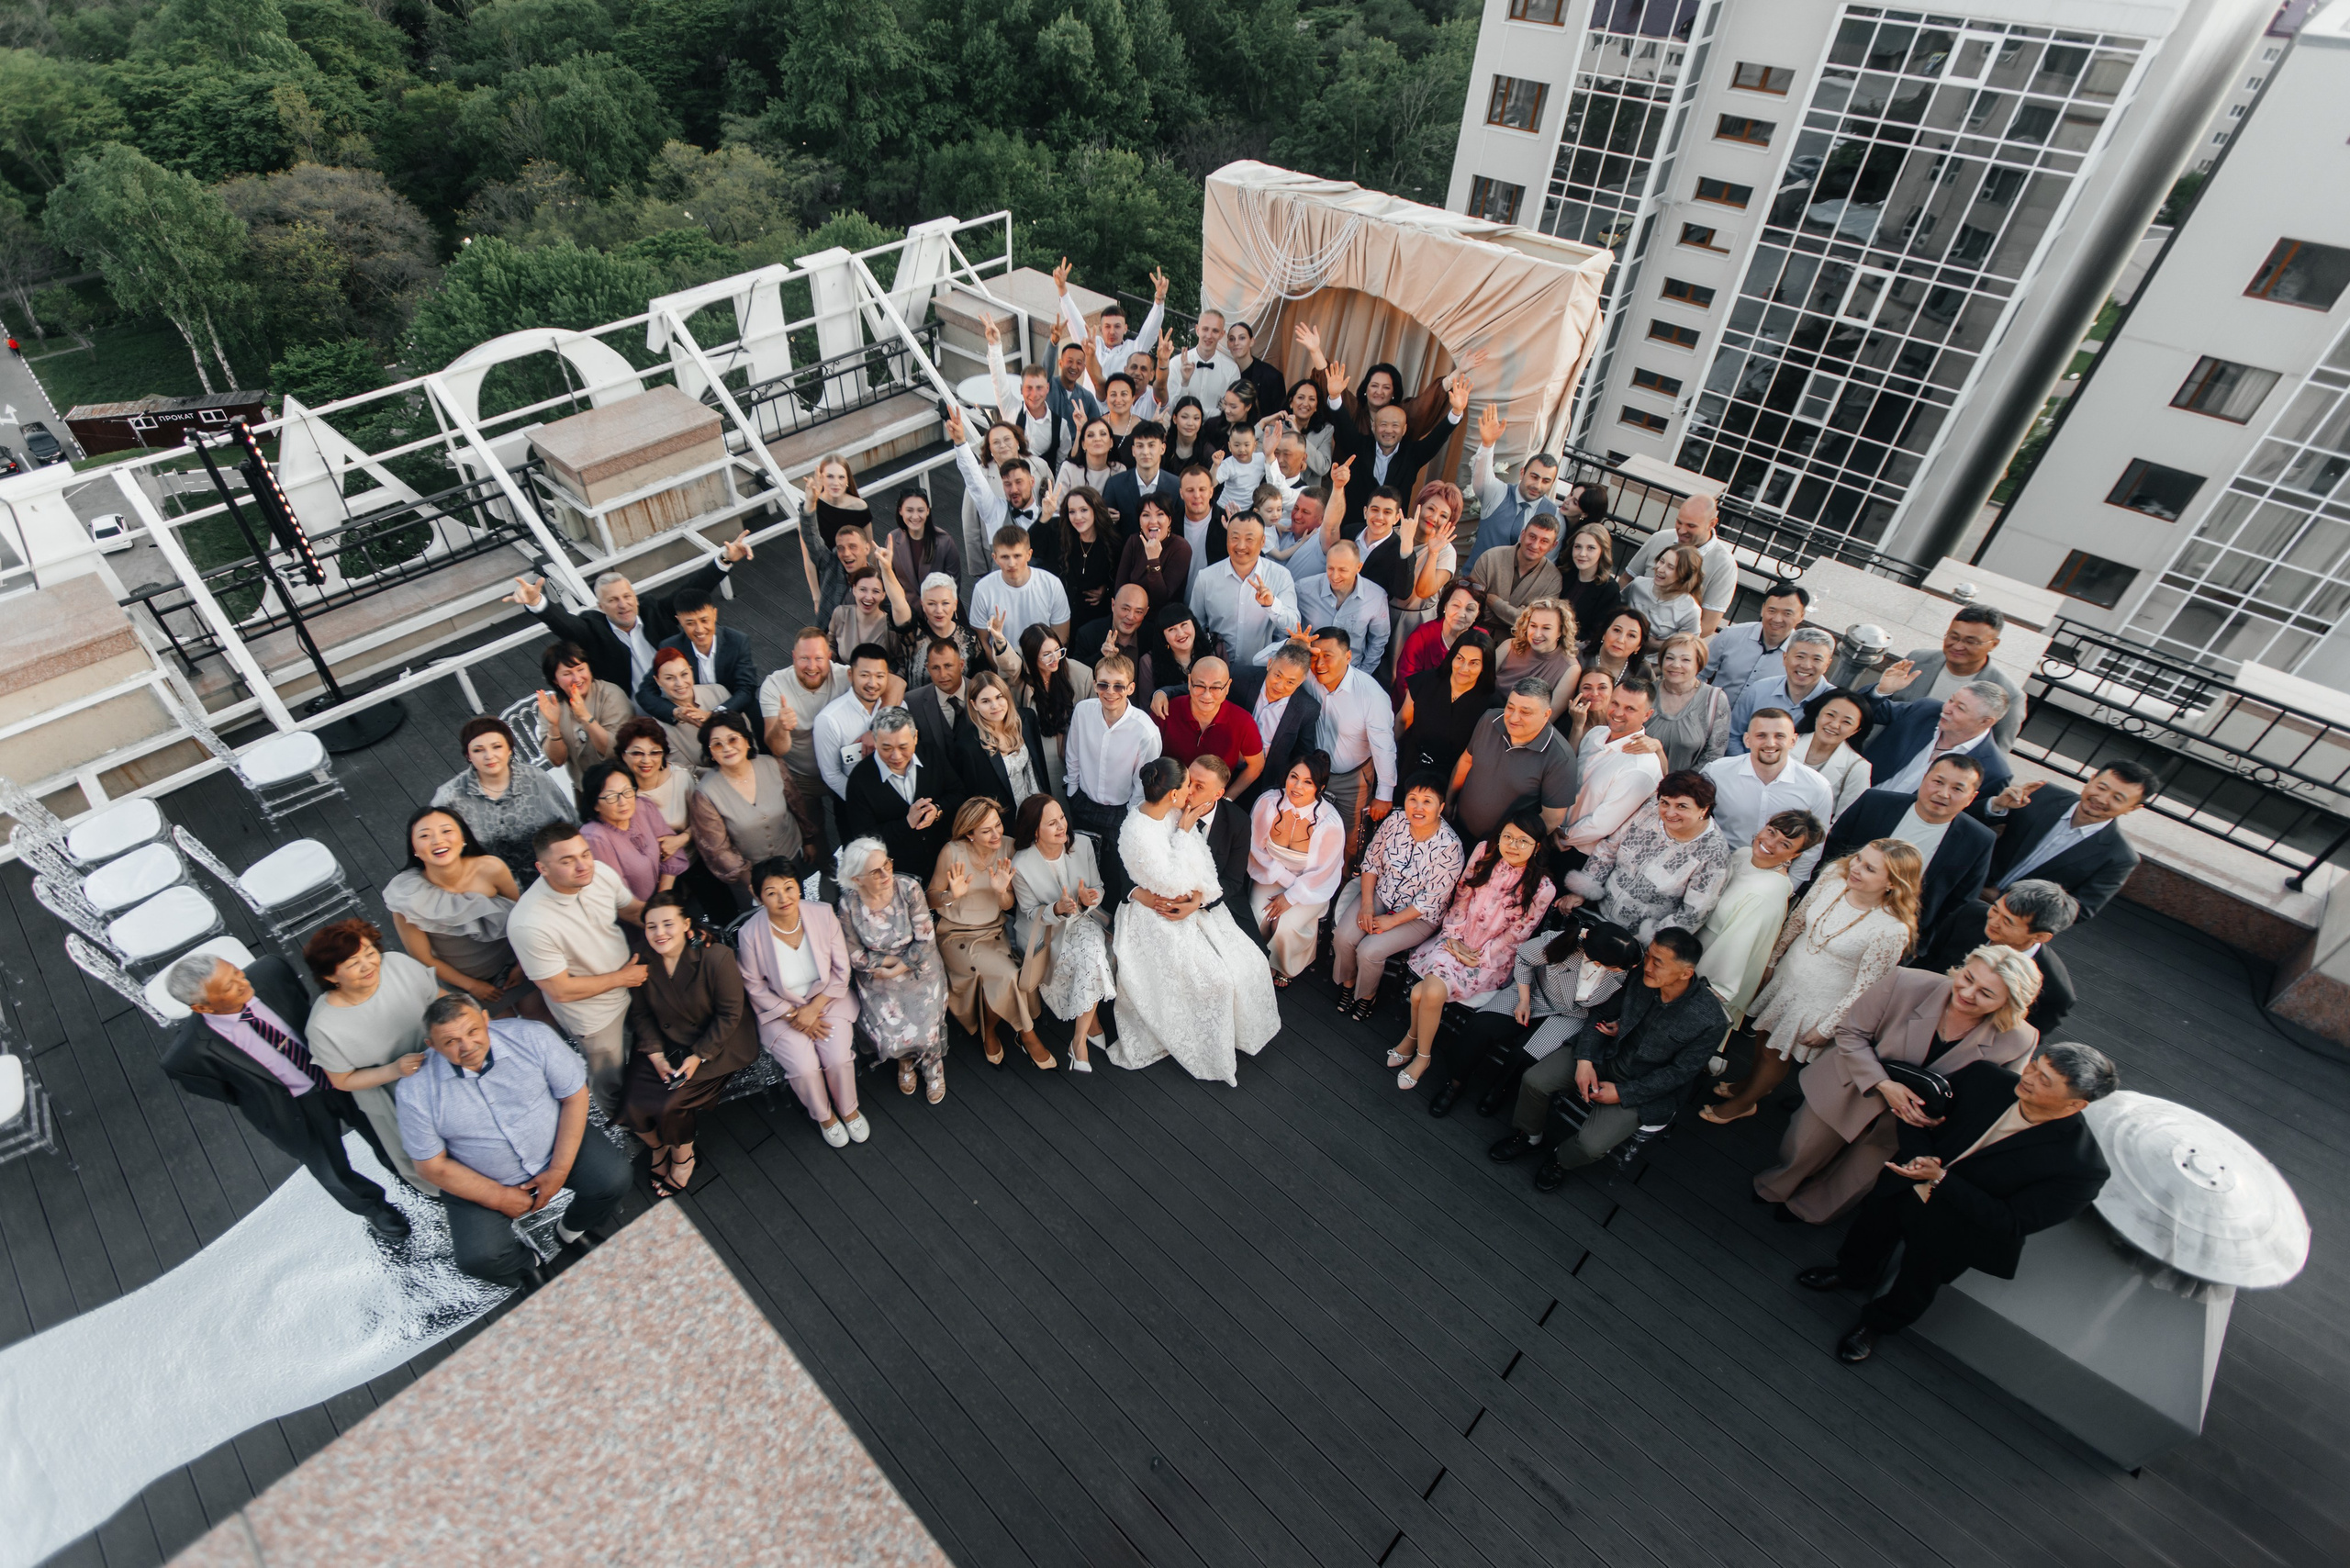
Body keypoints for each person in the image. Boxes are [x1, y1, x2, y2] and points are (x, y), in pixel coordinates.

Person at [1803, 1045, 2115, 1363]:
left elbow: (2012, 1222)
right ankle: (1852, 1273)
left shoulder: (2082, 1169)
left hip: (1960, 1229)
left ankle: (1876, 1324)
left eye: (2045, 1080)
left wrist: (1940, 1178)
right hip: (1904, 1187)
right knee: (1868, 1232)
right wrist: (1919, 1156)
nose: (2029, 1077)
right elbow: (1918, 1117)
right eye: (2035, 1065)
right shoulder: (1985, 1078)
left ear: (2075, 1104)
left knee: (1916, 1283)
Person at [1761, 947, 2042, 1225]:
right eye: (1968, 978)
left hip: (1911, 1127)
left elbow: (1992, 1101)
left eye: (1986, 993)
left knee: (1855, 1178)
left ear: (2010, 1003)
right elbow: (1851, 1032)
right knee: (1804, 1149)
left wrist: (1940, 1122)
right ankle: (1775, 1187)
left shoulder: (2021, 1040)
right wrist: (1883, 1084)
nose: (1968, 993)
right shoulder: (1906, 982)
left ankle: (1808, 1210)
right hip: (1852, 1087)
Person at [161, 954, 410, 1238]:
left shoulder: (271, 972)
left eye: (236, 973)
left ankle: (410, 1175)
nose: (243, 982)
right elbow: (228, 1091)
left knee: (387, 1133)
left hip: (339, 1073)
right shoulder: (186, 1057)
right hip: (293, 1107)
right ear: (202, 1007)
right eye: (229, 986)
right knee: (331, 1171)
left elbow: (305, 1007)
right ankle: (375, 1209)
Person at [398, 994, 634, 1288]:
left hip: (555, 1146)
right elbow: (432, 1167)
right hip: (483, 1177)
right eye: (451, 1041)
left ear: (485, 1020)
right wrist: (499, 1197)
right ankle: (528, 1264)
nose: (467, 1046)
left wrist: (558, 1171)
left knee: (614, 1179)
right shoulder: (414, 1092)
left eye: (472, 1031)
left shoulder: (532, 1037)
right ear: (431, 1046)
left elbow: (574, 1097)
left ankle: (571, 1231)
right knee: (479, 1257)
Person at [1489, 929, 1728, 1189]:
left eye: (1657, 962)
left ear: (1685, 973)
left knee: (1590, 1145)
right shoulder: (1639, 976)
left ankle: (1560, 1160)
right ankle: (1529, 1136)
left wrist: (1623, 1092)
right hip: (1604, 1054)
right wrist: (1585, 1060)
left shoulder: (1710, 1020)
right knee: (1535, 1080)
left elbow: (1679, 1074)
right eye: (1648, 956)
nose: (1646, 966)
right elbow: (1601, 1012)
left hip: (1643, 1087)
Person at [1706, 838, 1921, 1125]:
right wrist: (1771, 963)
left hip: (1818, 1002)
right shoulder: (1834, 877)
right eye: (1858, 858)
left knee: (1775, 1054)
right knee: (1761, 1037)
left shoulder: (1892, 930)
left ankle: (1746, 1103)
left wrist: (1828, 1026)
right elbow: (1797, 921)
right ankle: (1747, 1084)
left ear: (1892, 883)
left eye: (1869, 869)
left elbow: (1867, 988)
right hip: (1786, 978)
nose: (1855, 868)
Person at [1109, 757, 1282, 1084]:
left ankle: (1239, 1033)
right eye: (1189, 782)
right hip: (1155, 908)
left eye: (1198, 786)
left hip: (1210, 903)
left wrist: (1199, 902)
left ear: (1218, 794)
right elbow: (1131, 870)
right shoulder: (1158, 814)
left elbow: (1230, 882)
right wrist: (1140, 893)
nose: (1191, 791)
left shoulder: (1235, 821)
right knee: (1211, 978)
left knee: (1251, 963)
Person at [1392, 812, 1559, 1090]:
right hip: (1454, 937)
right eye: (1508, 836)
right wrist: (1455, 937)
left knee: (1427, 992)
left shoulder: (1543, 888)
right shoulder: (1484, 852)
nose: (1513, 845)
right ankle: (1417, 1046)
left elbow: (1518, 935)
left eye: (1523, 841)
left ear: (1537, 846)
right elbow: (1462, 896)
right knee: (1426, 991)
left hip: (1490, 959)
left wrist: (1478, 954)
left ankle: (1418, 1049)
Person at [1424, 913, 1643, 1120]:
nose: (1628, 969)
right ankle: (1455, 1082)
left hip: (1572, 1014)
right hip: (1533, 992)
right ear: (1594, 959)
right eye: (1617, 967)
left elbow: (1631, 1003)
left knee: (1525, 1054)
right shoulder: (1562, 942)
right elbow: (1525, 959)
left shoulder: (1625, 965)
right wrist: (1524, 1000)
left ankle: (1498, 1089)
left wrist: (1619, 1022)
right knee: (1480, 1027)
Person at [621, 891, 763, 1194]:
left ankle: (683, 1157)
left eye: (667, 924)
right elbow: (641, 1014)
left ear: (687, 924)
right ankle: (659, 1148)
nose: (659, 933)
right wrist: (657, 1056)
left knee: (672, 1102)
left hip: (715, 1045)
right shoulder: (640, 959)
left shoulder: (716, 957)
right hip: (665, 1043)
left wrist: (698, 1055)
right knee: (631, 1098)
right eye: (651, 926)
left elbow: (730, 1014)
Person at [506, 821, 646, 1108]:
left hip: (634, 985)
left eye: (585, 854)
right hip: (593, 1016)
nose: (583, 866)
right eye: (567, 861)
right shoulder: (528, 923)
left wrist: (676, 923)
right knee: (612, 1080)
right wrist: (622, 979)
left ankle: (653, 1108)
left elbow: (633, 911)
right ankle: (628, 1126)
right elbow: (560, 990)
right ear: (542, 868)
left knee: (645, 1053)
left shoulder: (601, 873)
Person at [505, 537, 750, 693]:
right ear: (601, 607)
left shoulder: (653, 610)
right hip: (636, 712)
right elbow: (565, 625)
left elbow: (694, 587)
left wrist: (725, 560)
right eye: (612, 600)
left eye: (627, 596)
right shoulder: (592, 628)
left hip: (687, 694)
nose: (623, 605)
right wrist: (536, 601)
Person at [302, 919, 441, 1193]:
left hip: (442, 1059)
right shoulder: (323, 1026)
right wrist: (394, 1070)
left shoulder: (398, 965)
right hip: (390, 1089)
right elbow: (342, 1080)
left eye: (369, 953)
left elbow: (437, 997)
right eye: (353, 964)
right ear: (331, 977)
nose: (368, 965)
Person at [734, 859, 864, 1141]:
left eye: (789, 888)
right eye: (771, 892)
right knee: (805, 1068)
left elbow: (841, 971)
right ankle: (825, 1116)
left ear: (798, 887)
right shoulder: (750, 934)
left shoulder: (822, 914)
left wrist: (813, 1010)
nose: (783, 898)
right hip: (782, 1012)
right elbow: (754, 986)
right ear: (757, 895)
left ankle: (849, 1109)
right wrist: (795, 1016)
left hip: (828, 1000)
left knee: (839, 1058)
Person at [1331, 773, 1466, 1018]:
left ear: (1441, 807)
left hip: (1419, 916)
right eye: (1412, 799)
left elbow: (1431, 899)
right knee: (1343, 936)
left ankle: (1366, 996)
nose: (1418, 807)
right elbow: (1371, 862)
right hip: (1381, 895)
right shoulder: (1395, 821)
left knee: (1370, 950)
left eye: (1427, 801)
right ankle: (1348, 985)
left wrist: (1391, 921)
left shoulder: (1450, 847)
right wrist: (1368, 905)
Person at [930, 798, 1051, 1069]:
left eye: (998, 825)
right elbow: (930, 898)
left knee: (998, 977)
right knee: (1008, 974)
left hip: (993, 931)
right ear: (969, 833)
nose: (996, 834)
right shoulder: (952, 852)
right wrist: (950, 895)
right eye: (986, 831)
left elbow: (1009, 905)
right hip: (956, 934)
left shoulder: (1008, 847)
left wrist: (1000, 891)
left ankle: (989, 1031)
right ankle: (1026, 1034)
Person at [1819, 758, 1998, 937]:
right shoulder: (1874, 803)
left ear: (1971, 798)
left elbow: (1959, 902)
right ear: (1924, 778)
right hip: (1833, 904)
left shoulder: (1978, 841)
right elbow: (1831, 850)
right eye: (1938, 782)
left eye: (1957, 789)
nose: (1943, 793)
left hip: (1896, 931)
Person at [835, 836, 952, 1102]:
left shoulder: (908, 888)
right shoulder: (848, 906)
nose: (886, 872)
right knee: (890, 1034)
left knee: (927, 1027)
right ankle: (904, 1060)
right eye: (875, 871)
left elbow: (925, 939)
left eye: (887, 864)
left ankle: (934, 1066)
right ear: (857, 879)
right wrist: (889, 966)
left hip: (919, 968)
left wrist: (900, 966)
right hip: (879, 977)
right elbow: (855, 955)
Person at [385, 805, 528, 1012]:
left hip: (516, 961)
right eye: (425, 835)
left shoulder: (491, 868)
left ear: (463, 838)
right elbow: (423, 957)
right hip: (466, 981)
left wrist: (522, 964)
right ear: (414, 849)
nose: (437, 841)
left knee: (538, 1013)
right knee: (501, 1030)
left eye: (446, 831)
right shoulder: (406, 897)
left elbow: (522, 917)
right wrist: (472, 986)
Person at [1562, 769, 1731, 942]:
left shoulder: (1714, 854)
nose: (1670, 813)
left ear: (1704, 809)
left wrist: (1650, 940)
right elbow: (1610, 848)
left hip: (1633, 940)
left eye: (1682, 806)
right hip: (1595, 912)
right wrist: (1583, 890)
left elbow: (1692, 914)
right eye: (1665, 802)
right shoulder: (1650, 809)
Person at [1012, 796, 1115, 1071]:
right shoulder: (1020, 864)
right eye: (1052, 823)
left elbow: (1098, 886)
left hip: (1083, 920)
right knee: (1084, 961)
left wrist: (1091, 897)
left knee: (1092, 954)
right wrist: (1056, 908)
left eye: (1062, 818)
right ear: (1035, 830)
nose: (1062, 827)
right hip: (1047, 931)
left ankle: (1078, 1041)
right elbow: (1030, 913)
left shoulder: (1081, 844)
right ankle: (1090, 1022)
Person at [1695, 812, 1823, 1029]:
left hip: (1704, 964)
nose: (1769, 843)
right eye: (1771, 832)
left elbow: (1735, 951)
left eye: (1784, 844)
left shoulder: (1764, 894)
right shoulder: (1744, 854)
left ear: (1795, 855)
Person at [1980, 765, 2154, 920]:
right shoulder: (2042, 794)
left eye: (2118, 798)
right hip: (1964, 883)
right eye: (2101, 787)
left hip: (2012, 921)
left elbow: (2081, 910)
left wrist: (2005, 902)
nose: (2101, 799)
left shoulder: (2120, 857)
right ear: (2091, 779)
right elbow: (1966, 826)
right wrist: (1997, 805)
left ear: (2133, 808)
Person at [1915, 881, 2079, 1036]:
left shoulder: (2055, 993)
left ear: (2040, 936)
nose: (1993, 921)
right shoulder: (1970, 914)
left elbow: (2015, 1040)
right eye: (1995, 909)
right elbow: (1927, 961)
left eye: (2008, 922)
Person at [1062, 652, 1161, 901]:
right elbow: (1072, 754)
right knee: (1082, 868)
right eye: (1103, 684)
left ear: (1130, 688)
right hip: (1083, 802)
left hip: (1121, 810)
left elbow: (1143, 783)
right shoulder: (1083, 711)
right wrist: (1073, 792)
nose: (1110, 692)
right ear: (1095, 684)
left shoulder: (1145, 730)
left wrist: (1129, 816)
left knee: (1115, 874)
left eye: (1119, 686)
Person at [431, 715, 576, 880]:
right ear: (468, 756)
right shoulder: (450, 797)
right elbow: (437, 850)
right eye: (478, 750)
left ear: (509, 749)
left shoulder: (536, 778)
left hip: (555, 875)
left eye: (497, 747)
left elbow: (571, 824)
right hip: (493, 888)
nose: (489, 756)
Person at [1245, 752, 1347, 985]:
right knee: (1259, 913)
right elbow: (1256, 849)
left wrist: (1290, 897)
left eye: (1308, 782)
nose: (1297, 786)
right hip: (1270, 872)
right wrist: (1282, 879)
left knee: (1286, 925)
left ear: (1319, 788)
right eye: (1294, 777)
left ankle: (1282, 966)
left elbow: (1323, 874)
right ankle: (1255, 958)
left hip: (1311, 886)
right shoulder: (1269, 803)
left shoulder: (1329, 823)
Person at [1704, 707, 1838, 880]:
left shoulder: (1818, 788)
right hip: (1714, 868)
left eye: (1779, 736)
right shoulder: (1716, 772)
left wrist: (1789, 888)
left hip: (1771, 879)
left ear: (1793, 741)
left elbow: (1813, 849)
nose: (1770, 743)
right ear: (1747, 740)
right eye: (1761, 736)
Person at [1868, 604, 2026, 750]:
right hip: (1883, 751)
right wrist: (1881, 691)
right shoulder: (1918, 659)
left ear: (1994, 644)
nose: (1958, 646)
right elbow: (1878, 707)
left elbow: (1998, 750)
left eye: (1971, 642)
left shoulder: (2010, 695)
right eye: (1953, 636)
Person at [686, 711, 806, 902]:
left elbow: (797, 805)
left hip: (789, 862)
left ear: (747, 741)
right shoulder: (705, 793)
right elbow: (717, 849)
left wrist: (809, 840)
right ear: (711, 754)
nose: (727, 748)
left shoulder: (773, 765)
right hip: (748, 878)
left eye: (733, 739)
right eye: (717, 744)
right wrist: (751, 882)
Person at [1304, 625, 1398, 860]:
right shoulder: (1308, 675)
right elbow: (1262, 658)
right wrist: (1295, 646)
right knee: (1308, 829)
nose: (1319, 664)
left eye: (1327, 656)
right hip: (1314, 771)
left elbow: (1384, 747)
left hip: (1353, 778)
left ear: (1348, 656)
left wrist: (1384, 794)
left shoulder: (1371, 696)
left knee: (1350, 840)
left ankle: (1342, 887)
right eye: (1314, 656)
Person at [1450, 678, 1580, 845]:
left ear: (1546, 714)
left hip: (1499, 850)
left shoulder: (1561, 758)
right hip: (1457, 829)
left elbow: (1551, 819)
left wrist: (1508, 847)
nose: (1513, 718)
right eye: (1510, 708)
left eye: (1525, 712)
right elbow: (1466, 762)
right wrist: (1449, 803)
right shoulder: (1490, 720)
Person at [1858, 676, 2015, 807]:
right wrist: (1882, 691)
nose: (1947, 709)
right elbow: (1866, 713)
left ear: (1986, 722)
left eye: (1960, 708)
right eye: (1951, 700)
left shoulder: (1994, 771)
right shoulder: (1925, 710)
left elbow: (1969, 816)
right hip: (1852, 793)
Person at [841, 704, 961, 876]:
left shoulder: (932, 755)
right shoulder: (859, 780)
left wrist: (938, 810)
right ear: (875, 741)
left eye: (903, 747)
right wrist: (906, 824)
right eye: (886, 748)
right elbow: (864, 838)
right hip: (896, 874)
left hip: (943, 863)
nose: (896, 756)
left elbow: (958, 793)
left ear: (916, 737)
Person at [760, 629, 853, 833]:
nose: (812, 667)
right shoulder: (773, 685)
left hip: (842, 770)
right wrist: (782, 727)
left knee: (850, 822)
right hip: (801, 776)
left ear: (829, 657)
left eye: (819, 658)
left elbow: (894, 683)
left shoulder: (845, 676)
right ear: (794, 657)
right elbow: (777, 749)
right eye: (804, 658)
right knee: (811, 828)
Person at [1565, 677, 1665, 854]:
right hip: (1555, 835)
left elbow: (1602, 825)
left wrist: (1561, 836)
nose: (1618, 713)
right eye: (1615, 703)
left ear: (1647, 715)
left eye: (1630, 709)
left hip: (1580, 853)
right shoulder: (1595, 734)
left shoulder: (1641, 766)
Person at [1189, 513, 1298, 668]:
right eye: (1234, 538)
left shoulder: (1280, 575)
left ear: (1263, 542)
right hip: (1217, 670)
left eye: (1249, 539)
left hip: (1261, 670)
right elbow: (1194, 626)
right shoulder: (1206, 577)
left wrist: (1272, 605)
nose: (1240, 546)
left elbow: (1294, 627)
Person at [1621, 492, 1737, 635]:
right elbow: (1627, 579)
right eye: (1679, 522)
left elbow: (1708, 625)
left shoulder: (1724, 565)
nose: (1682, 531)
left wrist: (1658, 644)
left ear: (1712, 524)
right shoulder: (1660, 538)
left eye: (1691, 526)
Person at [638, 586, 759, 722]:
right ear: (679, 621)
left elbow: (746, 689)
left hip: (735, 710)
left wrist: (714, 714)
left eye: (704, 620)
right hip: (691, 716)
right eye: (690, 623)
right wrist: (676, 712)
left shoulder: (737, 641)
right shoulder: (671, 647)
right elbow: (645, 693)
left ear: (714, 614)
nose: (699, 630)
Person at [577, 760, 690, 905]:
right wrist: (654, 915)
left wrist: (662, 900)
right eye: (612, 796)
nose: (623, 802)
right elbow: (620, 896)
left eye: (627, 791)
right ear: (595, 804)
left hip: (667, 900)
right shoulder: (594, 838)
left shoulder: (642, 806)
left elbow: (671, 851)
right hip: (637, 916)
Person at [1152, 656, 1266, 795]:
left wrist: (1227, 799)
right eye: (1200, 686)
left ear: (1228, 687)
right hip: (1166, 797)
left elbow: (1257, 765)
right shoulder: (1166, 711)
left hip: (1211, 804)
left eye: (1216, 687)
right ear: (1189, 682)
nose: (1207, 696)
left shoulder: (1243, 721)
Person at [1464, 404, 1561, 563]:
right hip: (1475, 581)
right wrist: (1488, 445)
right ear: (1522, 473)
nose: (1537, 485)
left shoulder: (1554, 514)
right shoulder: (1498, 493)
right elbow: (1482, 477)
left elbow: (1548, 561)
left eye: (1545, 481)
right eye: (1534, 477)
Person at [888, 572, 1017, 689]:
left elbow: (980, 680)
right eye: (931, 603)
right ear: (923, 605)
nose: (939, 610)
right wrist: (886, 569)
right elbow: (898, 603)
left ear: (955, 604)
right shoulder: (913, 633)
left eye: (945, 603)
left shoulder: (969, 639)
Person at [1398, 629, 1495, 779]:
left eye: (1474, 663)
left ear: (1484, 667)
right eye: (1460, 659)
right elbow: (1402, 721)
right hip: (1412, 767)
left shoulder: (1492, 704)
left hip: (1454, 777)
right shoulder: (1425, 681)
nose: (1464, 669)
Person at [532, 641, 631, 789]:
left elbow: (614, 750)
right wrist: (553, 726)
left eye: (581, 669)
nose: (577, 679)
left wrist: (586, 718)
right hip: (585, 790)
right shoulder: (552, 706)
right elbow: (557, 760)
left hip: (624, 783)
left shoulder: (611, 694)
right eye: (567, 674)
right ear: (555, 680)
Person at [1233, 644, 1322, 806]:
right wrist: (1169, 693)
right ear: (1269, 664)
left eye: (1290, 682)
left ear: (1301, 681)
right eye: (1277, 676)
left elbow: (1302, 755)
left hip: (1266, 782)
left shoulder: (1307, 708)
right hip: (1225, 766)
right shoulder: (1240, 677)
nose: (1280, 686)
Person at [1290, 539, 1392, 677]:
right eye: (1330, 568)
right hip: (1309, 672)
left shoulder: (1376, 597)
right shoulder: (1303, 589)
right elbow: (1287, 629)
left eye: (1343, 570)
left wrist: (1362, 675)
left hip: (1351, 673)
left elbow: (1378, 641)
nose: (1335, 576)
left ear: (1358, 567)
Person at [954, 669, 1049, 815]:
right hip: (1003, 822)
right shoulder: (968, 747)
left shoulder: (1026, 720)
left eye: (999, 697)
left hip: (1037, 811)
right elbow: (975, 799)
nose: (995, 706)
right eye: (985, 701)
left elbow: (1039, 769)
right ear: (974, 705)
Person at [811, 644, 898, 801]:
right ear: (850, 675)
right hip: (855, 801)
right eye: (864, 675)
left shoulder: (899, 707)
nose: (872, 683)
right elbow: (831, 774)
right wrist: (865, 802)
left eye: (880, 676)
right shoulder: (829, 720)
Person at [1729, 625, 1837, 748]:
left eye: (1817, 659)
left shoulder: (1834, 702)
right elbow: (1733, 735)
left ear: (1827, 665)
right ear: (1785, 658)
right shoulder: (1759, 689)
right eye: (1800, 657)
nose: (1806, 665)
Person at [969, 523, 1073, 649]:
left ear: (1029, 555)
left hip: (1046, 663)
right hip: (1000, 665)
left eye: (1017, 556)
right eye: (1005, 557)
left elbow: (1061, 638)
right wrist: (1003, 667)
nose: (1012, 563)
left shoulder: (1052, 584)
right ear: (995, 558)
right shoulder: (982, 590)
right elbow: (982, 641)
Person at [1705, 580, 1807, 706]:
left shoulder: (1802, 656)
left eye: (1787, 613)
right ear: (1763, 609)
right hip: (1711, 713)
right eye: (1772, 611)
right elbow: (1700, 670)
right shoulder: (1732, 634)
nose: (1777, 619)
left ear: (1801, 616)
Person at [1035, 484, 1125, 623]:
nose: (1078, 517)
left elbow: (1119, 577)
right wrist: (1045, 516)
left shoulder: (1112, 541)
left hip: (1095, 618)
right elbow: (1031, 548)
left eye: (1084, 510)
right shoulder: (1057, 531)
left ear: (1095, 510)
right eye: (1072, 512)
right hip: (1058, 614)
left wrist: (1106, 589)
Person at [1468, 515, 1564, 642]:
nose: (1535, 545)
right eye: (1532, 537)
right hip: (1475, 634)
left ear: (1553, 546)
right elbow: (1471, 605)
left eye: (1544, 541)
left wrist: (1494, 603)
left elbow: (1534, 623)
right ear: (1523, 534)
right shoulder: (1490, 557)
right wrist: (1518, 615)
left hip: (1517, 644)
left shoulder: (1553, 579)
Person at [1647, 632, 1731, 771]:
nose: (1676, 665)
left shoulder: (1715, 700)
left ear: (1699, 663)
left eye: (1685, 660)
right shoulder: (1646, 692)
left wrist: (1680, 788)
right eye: (1669, 658)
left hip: (1681, 788)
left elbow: (1713, 756)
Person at [1393, 580, 1486, 696]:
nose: (1461, 614)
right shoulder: (1422, 636)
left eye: (1470, 609)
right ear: (1445, 606)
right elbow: (1406, 683)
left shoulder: (1482, 640)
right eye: (1456, 605)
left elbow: (1483, 684)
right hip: (1416, 704)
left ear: (1478, 614)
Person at [1493, 599, 1579, 720]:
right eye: (1533, 626)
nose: (1537, 634)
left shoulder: (1570, 669)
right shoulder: (1509, 646)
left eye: (1546, 628)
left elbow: (1546, 719)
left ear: (1560, 631)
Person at [1796, 689, 1875, 818]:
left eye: (1846, 722)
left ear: (1855, 731)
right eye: (1830, 715)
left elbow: (1845, 819)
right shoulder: (1787, 742)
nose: (1834, 725)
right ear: (1817, 714)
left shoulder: (1858, 767)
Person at [1116, 495, 1192, 613]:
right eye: (1146, 515)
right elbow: (1120, 589)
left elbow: (1161, 598)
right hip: (1130, 615)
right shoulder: (1133, 541)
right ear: (1139, 521)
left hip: (1162, 618)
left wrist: (1153, 559)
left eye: (1160, 514)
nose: (1153, 521)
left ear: (1169, 520)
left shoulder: (1181, 547)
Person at [905, 636, 973, 763]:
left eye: (948, 666)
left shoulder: (981, 693)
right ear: (928, 668)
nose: (942, 675)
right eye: (935, 668)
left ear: (961, 665)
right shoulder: (913, 702)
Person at [1559, 521, 1621, 659]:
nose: (1582, 553)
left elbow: (1595, 634)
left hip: (1576, 653)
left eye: (1591, 548)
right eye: (1578, 547)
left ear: (1602, 551)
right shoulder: (1564, 573)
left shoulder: (1609, 589)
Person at [1622, 543, 1705, 643]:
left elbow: (1687, 644)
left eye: (1670, 567)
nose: (1660, 569)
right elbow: (1614, 608)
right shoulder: (1637, 584)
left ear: (1684, 575)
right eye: (1661, 561)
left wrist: (1655, 645)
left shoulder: (1691, 610)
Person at [884, 487, 963, 590]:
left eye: (920, 510)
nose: (915, 516)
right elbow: (889, 581)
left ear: (927, 511)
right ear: (900, 511)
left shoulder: (945, 542)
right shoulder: (892, 540)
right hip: (905, 605)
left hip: (939, 604)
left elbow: (954, 585)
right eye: (909, 510)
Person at [1076, 581, 1151, 674]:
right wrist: (1101, 656)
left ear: (1146, 612)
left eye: (1138, 612)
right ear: (1113, 605)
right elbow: (1075, 674)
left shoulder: (1152, 636)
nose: (1131, 617)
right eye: (1125, 609)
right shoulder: (1088, 633)